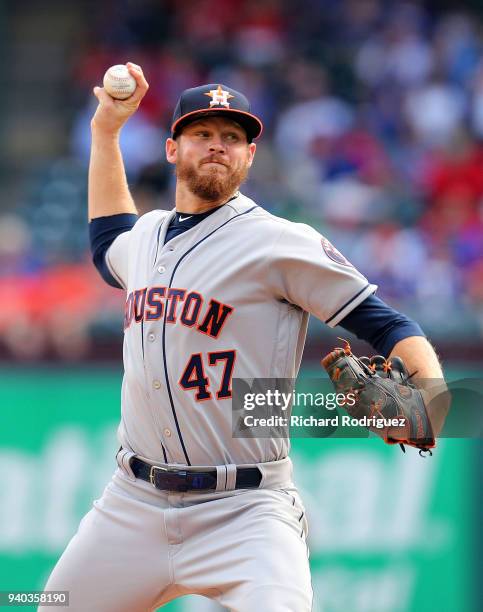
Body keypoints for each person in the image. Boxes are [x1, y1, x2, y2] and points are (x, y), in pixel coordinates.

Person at [40, 63, 445, 612]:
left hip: (246, 508)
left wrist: (432, 397)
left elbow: (389, 324)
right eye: (202, 134)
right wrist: (106, 132)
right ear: (171, 149)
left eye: (232, 138)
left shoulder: (280, 243)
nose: (217, 146)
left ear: (250, 156)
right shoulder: (146, 237)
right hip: (131, 502)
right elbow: (107, 238)